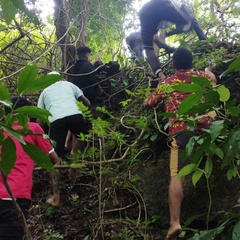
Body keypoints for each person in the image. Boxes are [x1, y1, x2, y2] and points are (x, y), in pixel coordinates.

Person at [143, 47, 216, 240]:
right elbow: (213, 79)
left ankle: (175, 222)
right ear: (192, 63)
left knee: (177, 176)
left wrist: (155, 91)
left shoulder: (168, 82)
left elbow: (149, 102)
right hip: (207, 128)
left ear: (173, 65)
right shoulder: (201, 76)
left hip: (182, 132)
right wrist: (208, 71)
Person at [0, 97, 60, 240]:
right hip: (14, 196)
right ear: (26, 113)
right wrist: (56, 192)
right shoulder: (32, 129)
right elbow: (55, 161)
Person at [139, 0, 207, 81]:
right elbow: (192, 21)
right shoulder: (180, 8)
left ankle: (160, 71)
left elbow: (148, 49)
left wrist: (159, 73)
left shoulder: (150, 17)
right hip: (162, 5)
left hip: (144, 12)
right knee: (189, 24)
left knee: (148, 47)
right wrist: (203, 39)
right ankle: (204, 40)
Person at [37, 71, 91, 158]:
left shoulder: (44, 92)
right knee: (82, 136)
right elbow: (87, 103)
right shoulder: (69, 84)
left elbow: (39, 116)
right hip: (75, 114)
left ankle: (56, 168)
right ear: (60, 78)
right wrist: (86, 115)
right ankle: (74, 154)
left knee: (57, 151)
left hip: (56, 119)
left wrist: (38, 133)